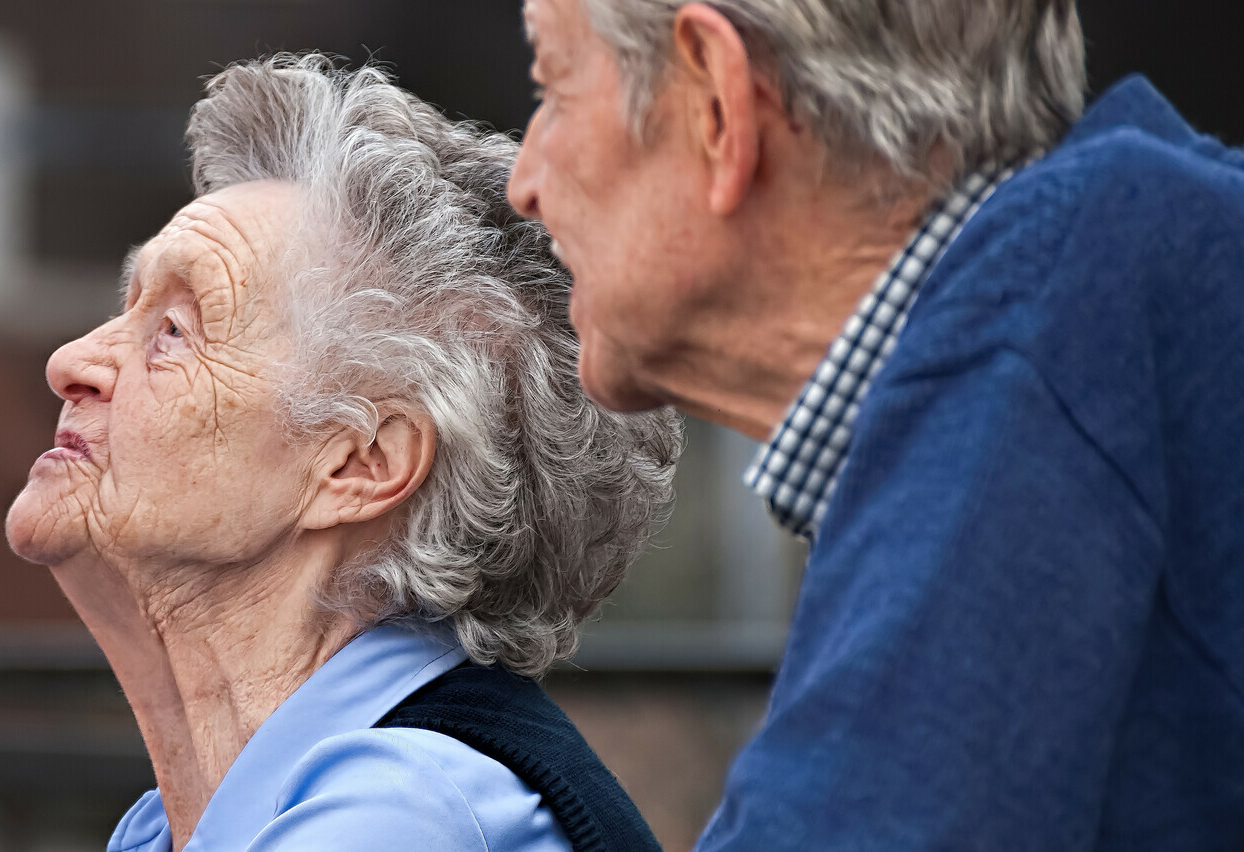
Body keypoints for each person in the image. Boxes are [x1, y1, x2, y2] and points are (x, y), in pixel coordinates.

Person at [507, 0, 1244, 848]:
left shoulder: (1051, 368)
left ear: (716, 104)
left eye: (552, 87)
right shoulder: (1094, 314)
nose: (523, 181)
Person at [5, 54, 678, 852]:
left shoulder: (404, 815)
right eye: (128, 309)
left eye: (174, 335)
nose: (73, 361)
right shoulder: (182, 826)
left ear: (361, 464)